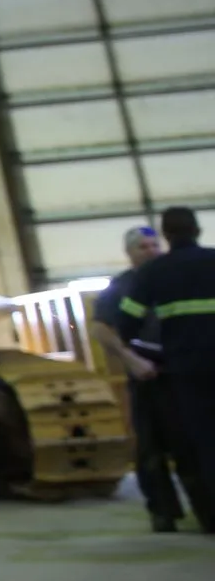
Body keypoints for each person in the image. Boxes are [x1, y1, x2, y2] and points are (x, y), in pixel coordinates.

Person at [96, 224, 205, 532]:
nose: (151, 251)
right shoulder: (122, 286)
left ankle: (205, 508)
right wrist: (131, 360)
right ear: (129, 253)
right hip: (146, 373)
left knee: (191, 445)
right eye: (143, 247)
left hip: (181, 371)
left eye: (154, 245)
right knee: (152, 448)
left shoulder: (173, 278)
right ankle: (163, 511)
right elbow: (102, 329)